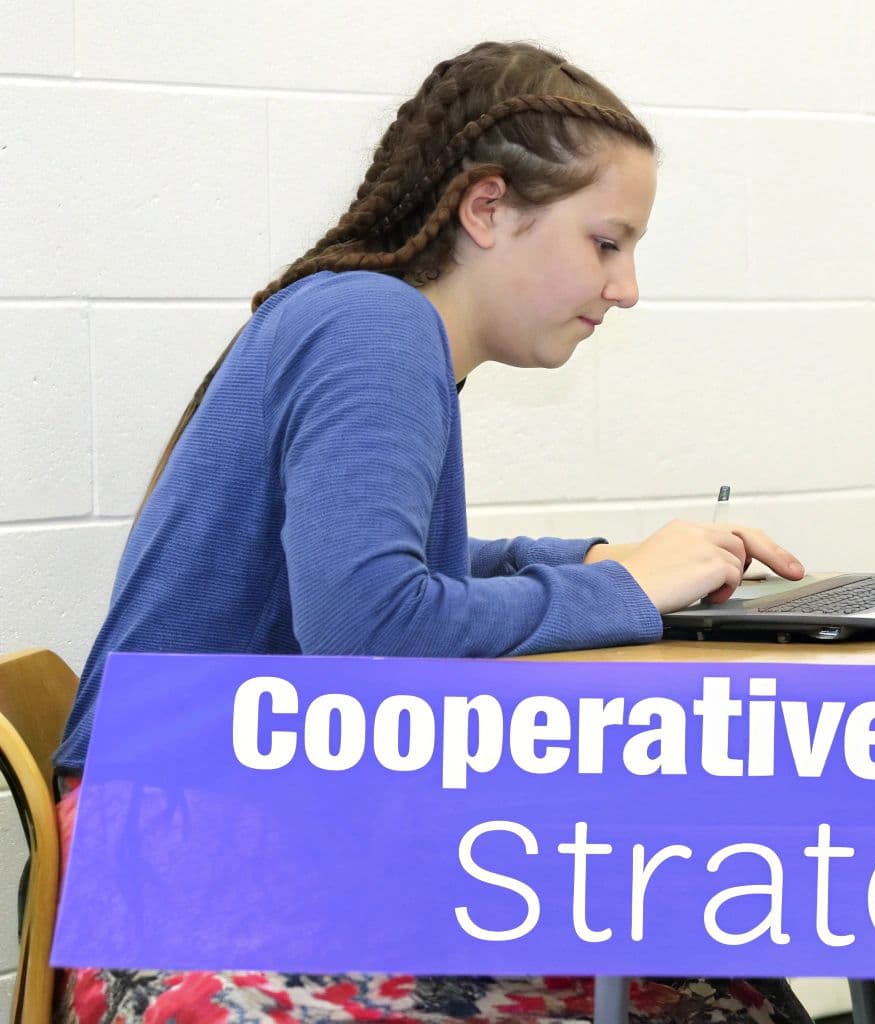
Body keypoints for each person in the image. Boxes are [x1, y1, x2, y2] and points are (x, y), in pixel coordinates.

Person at [52, 40, 812, 1024]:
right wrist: (624, 589)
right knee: (713, 997)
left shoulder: (369, 322)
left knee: (713, 977)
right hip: (186, 861)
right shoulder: (375, 325)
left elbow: (391, 578)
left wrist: (587, 562)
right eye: (606, 243)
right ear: (487, 208)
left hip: (209, 825)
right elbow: (370, 628)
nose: (624, 289)